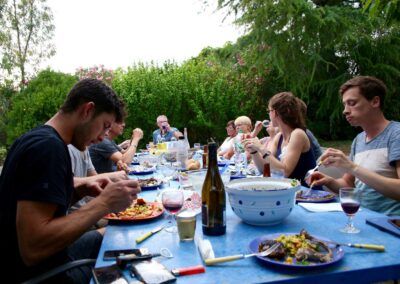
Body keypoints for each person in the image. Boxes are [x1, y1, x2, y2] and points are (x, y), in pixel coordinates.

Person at [0, 79, 141, 283]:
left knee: (118, 236)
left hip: (51, 259)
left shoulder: (37, 138)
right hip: (41, 275)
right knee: (131, 269)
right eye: (104, 126)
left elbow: (41, 204)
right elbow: (32, 248)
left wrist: (81, 189)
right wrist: (104, 204)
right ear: (87, 110)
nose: (103, 137)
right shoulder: (48, 148)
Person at [310, 76, 400, 216]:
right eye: (345, 105)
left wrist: (352, 167)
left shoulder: (396, 134)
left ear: (375, 101)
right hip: (361, 219)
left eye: (352, 103)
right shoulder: (358, 140)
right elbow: (349, 183)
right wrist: (329, 181)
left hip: (390, 226)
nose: (345, 110)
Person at [244, 92, 317, 185]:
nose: (269, 114)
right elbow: (264, 169)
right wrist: (253, 151)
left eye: (269, 111)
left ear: (274, 113)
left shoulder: (298, 134)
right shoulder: (279, 137)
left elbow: (285, 171)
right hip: (291, 191)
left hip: (309, 194)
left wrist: (261, 148)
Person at [68, 144, 128, 215]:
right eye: (104, 131)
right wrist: (135, 139)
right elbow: (64, 188)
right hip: (76, 214)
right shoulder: (67, 148)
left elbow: (97, 181)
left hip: (86, 206)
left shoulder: (84, 148)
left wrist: (117, 175)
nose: (106, 134)